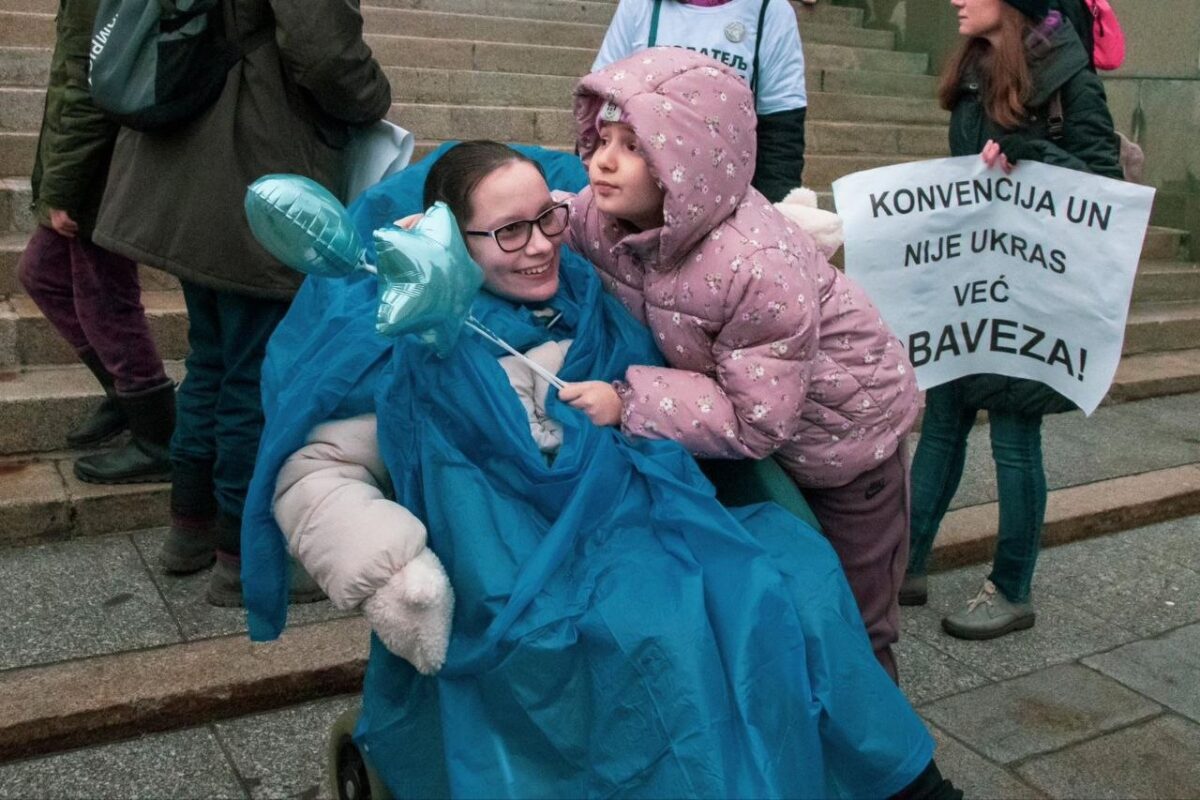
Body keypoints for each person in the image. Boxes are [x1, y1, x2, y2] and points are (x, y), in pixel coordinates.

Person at [242, 141, 961, 799]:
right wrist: (394, 569)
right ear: (450, 241)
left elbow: (697, 271)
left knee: (798, 571)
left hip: (646, 513)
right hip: (516, 564)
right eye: (508, 232)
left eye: (548, 220)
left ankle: (902, 787)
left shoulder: (596, 297)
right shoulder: (406, 336)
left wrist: (785, 249)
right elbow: (319, 468)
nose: (539, 249)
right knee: (660, 629)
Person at [562, 48, 920, 682]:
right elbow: (556, 217)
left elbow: (756, 422)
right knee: (784, 601)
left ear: (687, 162)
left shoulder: (756, 265)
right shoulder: (618, 215)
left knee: (853, 620)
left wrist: (629, 401)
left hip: (849, 447)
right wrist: (462, 222)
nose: (602, 160)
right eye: (602, 139)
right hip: (774, 436)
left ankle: (882, 759)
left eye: (633, 147)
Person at [90, 0, 392, 605]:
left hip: (191, 167)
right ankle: (243, 555)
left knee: (210, 361)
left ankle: (189, 528)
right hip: (256, 172)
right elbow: (327, 53)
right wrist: (373, 97)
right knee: (253, 376)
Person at [900, 0, 1122, 639]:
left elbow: (1108, 189)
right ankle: (904, 564)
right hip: (970, 283)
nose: (955, 1)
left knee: (1015, 439)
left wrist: (1035, 157)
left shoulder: (1070, 81)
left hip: (1033, 296)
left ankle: (1012, 587)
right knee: (942, 422)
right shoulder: (975, 67)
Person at [19, 0, 171, 483]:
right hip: (89, 165)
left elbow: (91, 94)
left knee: (106, 300)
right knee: (42, 274)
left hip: (104, 169)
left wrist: (62, 189)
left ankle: (159, 436)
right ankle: (126, 398)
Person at [592, 0, 809, 201]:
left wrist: (773, 211)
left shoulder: (772, 10)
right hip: (643, 196)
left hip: (729, 201)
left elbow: (782, 131)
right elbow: (600, 101)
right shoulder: (639, 5)